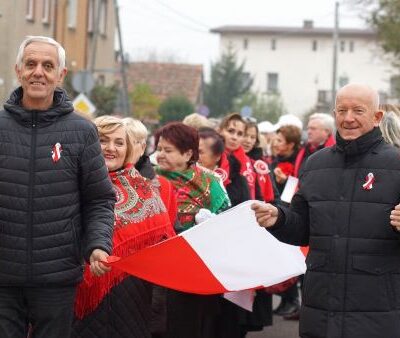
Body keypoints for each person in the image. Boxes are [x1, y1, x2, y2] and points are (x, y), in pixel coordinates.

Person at [252, 83, 400, 338]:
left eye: (358, 111)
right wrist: (279, 219)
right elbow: (302, 229)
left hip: (378, 310)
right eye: (341, 110)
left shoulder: (396, 164)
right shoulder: (315, 163)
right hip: (320, 307)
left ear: (377, 117)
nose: (348, 118)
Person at [0, 36, 115, 338]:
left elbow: (99, 199)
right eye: (31, 64)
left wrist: (98, 245)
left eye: (48, 66)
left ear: (60, 75)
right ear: (18, 70)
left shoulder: (82, 131)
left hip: (57, 277)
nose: (39, 72)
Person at [72, 116, 176, 338]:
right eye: (103, 140)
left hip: (131, 296)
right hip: (77, 295)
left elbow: (165, 247)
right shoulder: (68, 183)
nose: (111, 148)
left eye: (119, 143)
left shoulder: (144, 188)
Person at [154, 122, 230, 338]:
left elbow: (225, 223)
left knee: (187, 325)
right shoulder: (149, 179)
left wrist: (209, 223)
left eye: (167, 150)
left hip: (193, 266)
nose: (160, 155)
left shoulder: (210, 181)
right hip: (157, 266)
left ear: (188, 153)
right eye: (159, 149)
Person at [293, 112, 335, 177]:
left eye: (313, 128)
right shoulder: (303, 149)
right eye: (308, 128)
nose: (309, 132)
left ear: (327, 131)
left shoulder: (335, 153)